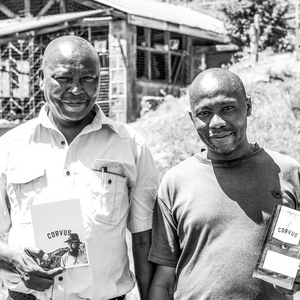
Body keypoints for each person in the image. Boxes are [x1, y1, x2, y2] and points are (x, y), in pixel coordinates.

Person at [0, 35, 158, 300]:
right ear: (40, 78)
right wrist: (14, 260)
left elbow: (144, 240)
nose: (76, 90)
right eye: (63, 79)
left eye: (88, 78)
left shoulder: (130, 146)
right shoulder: (8, 148)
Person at [148, 68, 300, 300]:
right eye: (204, 113)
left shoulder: (287, 173)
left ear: (248, 106)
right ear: (192, 117)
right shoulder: (176, 182)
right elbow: (164, 281)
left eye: (227, 108)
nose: (216, 122)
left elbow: (287, 268)